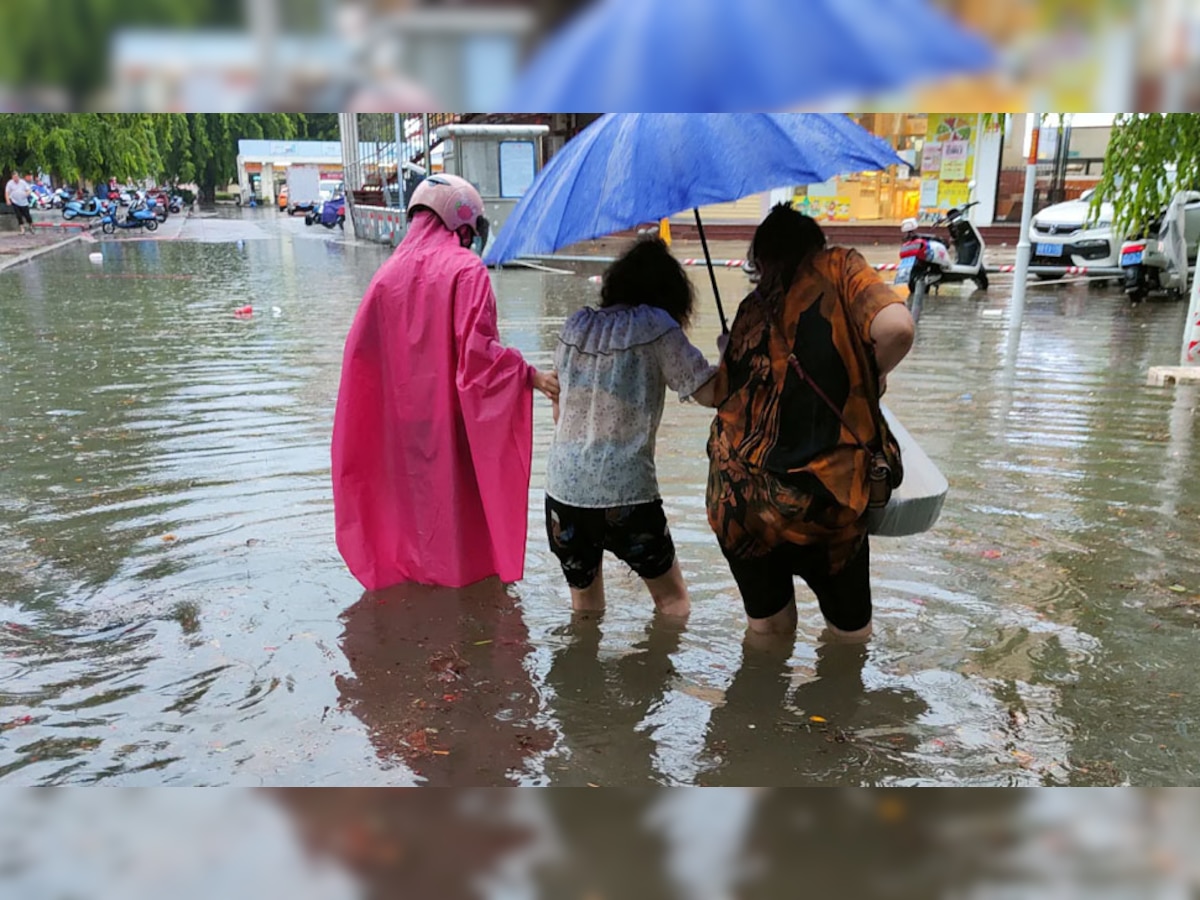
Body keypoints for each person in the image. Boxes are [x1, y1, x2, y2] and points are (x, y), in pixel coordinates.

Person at [331, 174, 559, 590]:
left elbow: (361, 365)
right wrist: (528, 375)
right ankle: (463, 599)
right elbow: (479, 359)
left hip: (400, 428)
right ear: (465, 225)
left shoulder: (385, 277)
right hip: (450, 425)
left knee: (414, 516)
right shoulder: (466, 270)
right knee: (456, 519)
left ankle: (420, 599)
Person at [706, 205, 915, 642]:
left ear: (760, 259)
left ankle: (757, 709)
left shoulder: (750, 308)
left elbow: (716, 396)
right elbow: (897, 328)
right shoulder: (839, 267)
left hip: (740, 501)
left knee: (769, 633)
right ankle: (836, 707)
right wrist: (869, 377)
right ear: (815, 245)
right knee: (849, 637)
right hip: (825, 503)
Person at [545, 237, 720, 619]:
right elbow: (710, 393)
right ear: (670, 293)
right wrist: (731, 353)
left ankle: (581, 677)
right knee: (673, 603)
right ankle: (656, 677)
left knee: (586, 611)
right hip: (626, 497)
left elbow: (561, 411)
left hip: (563, 493)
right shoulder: (656, 325)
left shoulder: (576, 325)